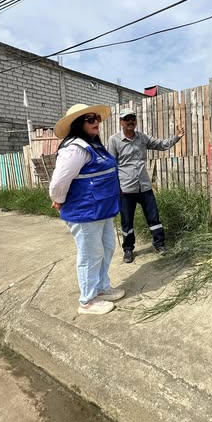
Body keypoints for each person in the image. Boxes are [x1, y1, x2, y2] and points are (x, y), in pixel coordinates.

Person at [49, 103, 124, 315]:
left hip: (102, 210)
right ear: (77, 124)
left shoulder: (93, 145)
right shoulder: (74, 148)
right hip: (85, 211)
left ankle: (101, 287)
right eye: (89, 119)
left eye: (96, 118)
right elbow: (59, 182)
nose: (96, 122)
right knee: (91, 255)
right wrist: (58, 199)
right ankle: (87, 301)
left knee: (106, 247)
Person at [107, 107, 185, 263]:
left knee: (153, 217)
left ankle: (159, 244)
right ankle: (128, 249)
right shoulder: (114, 140)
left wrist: (176, 138)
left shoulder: (142, 138)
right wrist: (114, 187)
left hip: (144, 186)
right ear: (121, 122)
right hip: (126, 188)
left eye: (133, 118)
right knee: (127, 221)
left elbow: (160, 145)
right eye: (127, 119)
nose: (130, 121)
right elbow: (111, 164)